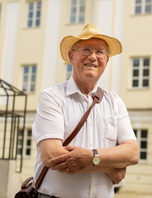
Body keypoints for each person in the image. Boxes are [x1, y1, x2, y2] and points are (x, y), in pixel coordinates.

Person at [32, 23, 139, 198]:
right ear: (71, 56)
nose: (93, 57)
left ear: (107, 60)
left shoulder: (115, 102)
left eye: (100, 52)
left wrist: (90, 156)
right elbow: (51, 154)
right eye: (86, 49)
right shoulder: (52, 97)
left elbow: (133, 153)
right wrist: (109, 166)